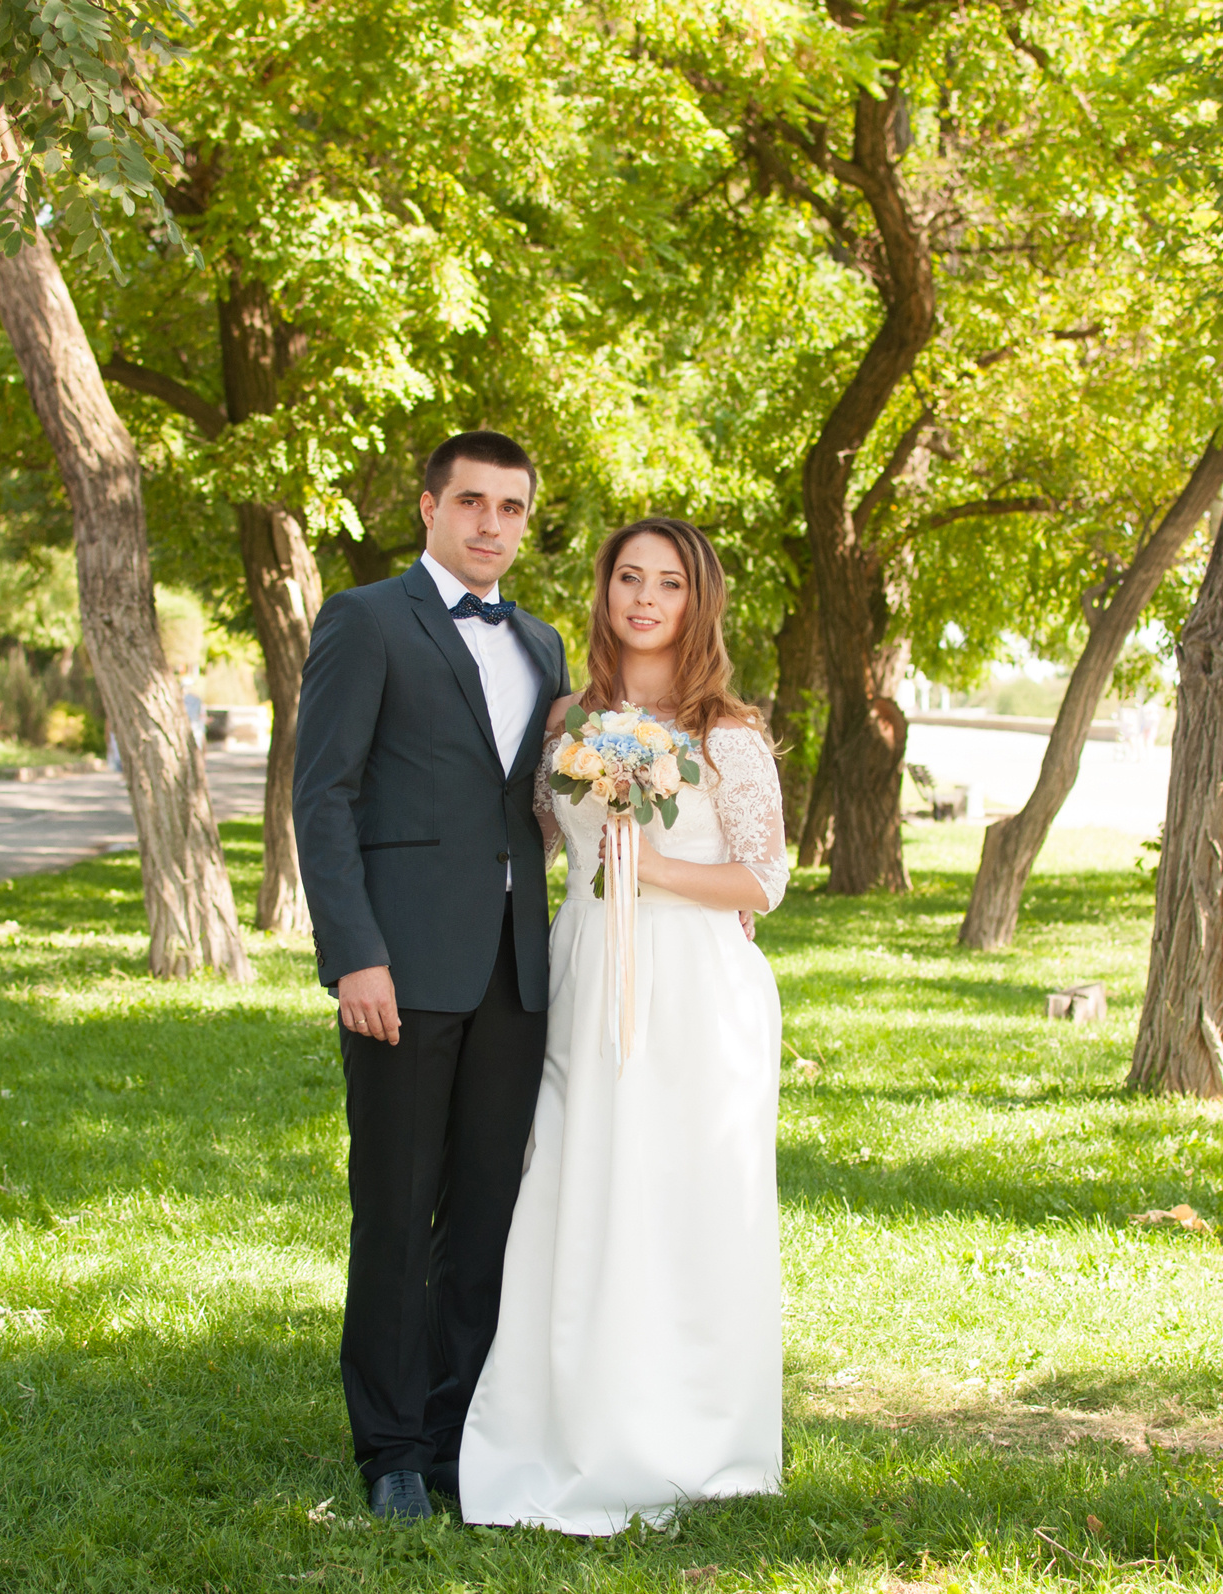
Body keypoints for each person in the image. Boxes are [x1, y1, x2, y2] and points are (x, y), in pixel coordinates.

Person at [459, 517, 788, 1534]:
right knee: (575, 1182)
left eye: (670, 583)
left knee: (686, 1197)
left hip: (695, 985)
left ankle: (695, 1432)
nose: (645, 598)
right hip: (586, 967)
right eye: (628, 579)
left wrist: (656, 873)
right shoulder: (569, 721)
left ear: (699, 602)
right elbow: (542, 831)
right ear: (604, 592)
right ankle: (566, 1419)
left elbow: (763, 878)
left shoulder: (727, 731)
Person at [292, 430, 573, 1522]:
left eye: (511, 507)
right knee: (397, 1210)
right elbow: (323, 797)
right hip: (400, 968)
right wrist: (355, 951)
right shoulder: (367, 621)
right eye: (472, 502)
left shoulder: (544, 644)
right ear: (428, 507)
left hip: (515, 970)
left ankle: (463, 1430)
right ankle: (393, 1448)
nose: (491, 524)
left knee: (488, 1213)